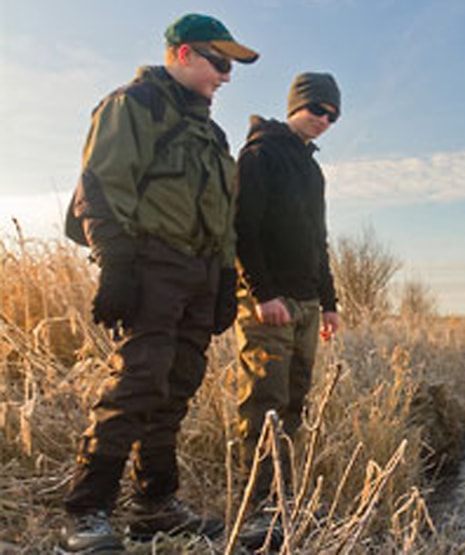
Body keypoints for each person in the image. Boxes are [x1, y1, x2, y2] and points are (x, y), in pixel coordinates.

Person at [59, 13, 257, 554]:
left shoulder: (212, 134)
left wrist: (223, 279)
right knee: (138, 382)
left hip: (198, 275)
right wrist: (117, 265)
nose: (227, 76)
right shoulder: (134, 104)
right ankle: (86, 508)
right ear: (183, 54)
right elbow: (99, 187)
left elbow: (223, 216)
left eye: (231, 66)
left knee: (176, 389)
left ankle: (155, 505)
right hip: (150, 266)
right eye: (220, 62)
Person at [232, 72, 342, 549]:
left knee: (295, 403)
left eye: (333, 115)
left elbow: (319, 240)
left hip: (307, 305)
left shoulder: (312, 169)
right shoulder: (260, 155)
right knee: (264, 403)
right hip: (269, 303)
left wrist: (331, 303)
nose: (324, 120)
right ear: (296, 104)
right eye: (317, 109)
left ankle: (283, 498)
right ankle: (258, 509)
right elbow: (243, 230)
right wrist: (262, 293)